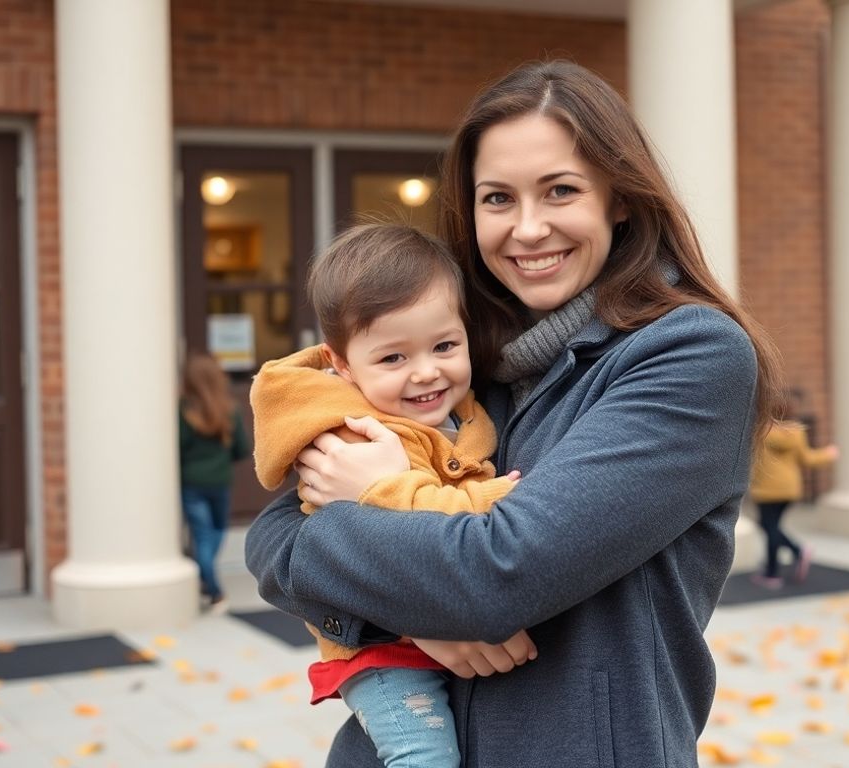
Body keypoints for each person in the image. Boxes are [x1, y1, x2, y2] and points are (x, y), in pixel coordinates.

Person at [244, 59, 782, 767]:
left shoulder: (690, 356)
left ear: (619, 199)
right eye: (498, 198)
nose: (528, 229)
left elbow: (499, 574)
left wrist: (378, 505)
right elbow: (272, 538)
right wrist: (419, 616)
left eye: (560, 191)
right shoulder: (461, 357)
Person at [249, 223, 530, 768]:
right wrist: (496, 499)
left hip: (419, 624)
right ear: (341, 365)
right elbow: (411, 513)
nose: (426, 372)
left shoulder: (464, 412)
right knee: (423, 756)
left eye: (445, 346)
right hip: (382, 656)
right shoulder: (354, 435)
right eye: (393, 359)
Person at [178, 352, 251, 613]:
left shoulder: (183, 411)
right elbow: (242, 449)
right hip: (219, 482)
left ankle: (210, 587)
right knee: (217, 531)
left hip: (191, 483)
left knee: (202, 535)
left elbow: (177, 448)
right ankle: (211, 586)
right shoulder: (228, 410)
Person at [747, 394, 837, 589]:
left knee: (770, 528)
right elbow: (807, 459)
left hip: (766, 489)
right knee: (770, 526)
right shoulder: (796, 432)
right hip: (789, 488)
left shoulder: (761, 431)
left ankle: (776, 569)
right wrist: (828, 454)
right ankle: (790, 556)